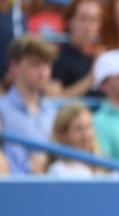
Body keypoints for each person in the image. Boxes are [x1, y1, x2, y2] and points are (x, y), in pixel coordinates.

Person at [0, 35, 58, 175]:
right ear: (14, 67)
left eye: (46, 65)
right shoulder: (2, 109)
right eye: (35, 64)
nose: (43, 72)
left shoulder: (53, 111)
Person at [48, 0, 102, 98]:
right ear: (69, 22)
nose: (88, 26)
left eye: (94, 20)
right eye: (83, 18)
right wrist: (91, 78)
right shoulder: (57, 57)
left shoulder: (102, 54)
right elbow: (54, 100)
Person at [47, 104, 98, 177]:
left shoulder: (105, 165)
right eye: (78, 129)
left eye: (88, 127)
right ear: (62, 136)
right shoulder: (58, 171)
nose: (86, 135)